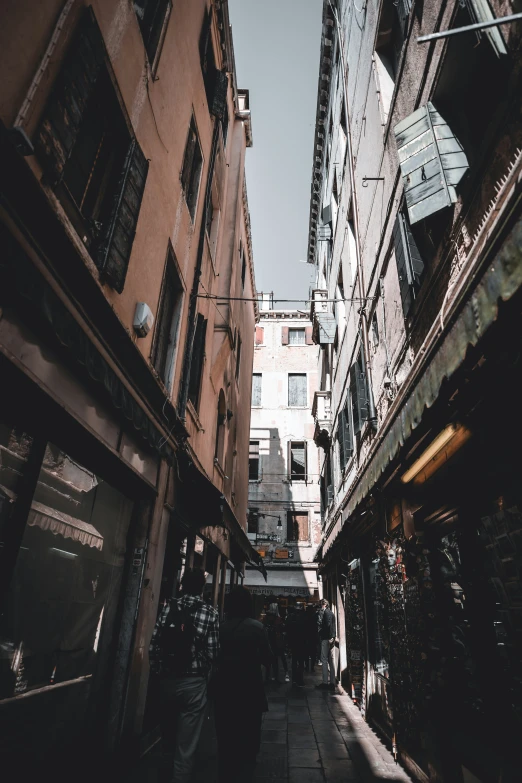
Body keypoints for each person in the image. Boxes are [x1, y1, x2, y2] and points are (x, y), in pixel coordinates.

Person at [150, 568, 219, 783]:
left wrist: (159, 672)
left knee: (167, 738)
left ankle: (162, 775)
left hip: (167, 680)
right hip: (193, 684)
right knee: (186, 744)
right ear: (201, 587)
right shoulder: (210, 612)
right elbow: (213, 653)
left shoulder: (168, 608)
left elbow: (154, 645)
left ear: (182, 585)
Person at [214, 586, 272, 783]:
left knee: (226, 728)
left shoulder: (221, 628)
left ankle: (226, 765)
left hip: (224, 686)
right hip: (250, 686)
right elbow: (267, 658)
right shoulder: (257, 628)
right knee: (249, 727)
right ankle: (246, 765)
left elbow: (213, 656)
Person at [263, 603, 290, 682]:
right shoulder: (276, 618)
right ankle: (277, 675)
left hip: (273, 641)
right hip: (276, 641)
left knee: (272, 659)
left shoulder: (269, 618)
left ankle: (270, 676)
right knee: (277, 658)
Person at [316, 598, 336, 690]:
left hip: (326, 639)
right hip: (330, 638)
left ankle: (325, 682)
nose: (320, 607)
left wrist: (326, 636)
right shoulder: (331, 613)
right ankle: (332, 682)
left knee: (324, 659)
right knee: (331, 660)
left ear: (324, 605)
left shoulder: (326, 613)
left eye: (321, 605)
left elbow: (327, 626)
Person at [286, 604, 307, 686]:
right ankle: (300, 679)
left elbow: (287, 630)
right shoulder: (304, 617)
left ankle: (294, 679)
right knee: (301, 662)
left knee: (294, 661)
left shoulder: (290, 617)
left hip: (294, 642)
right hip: (301, 642)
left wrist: (288, 643)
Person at [304, 604, 319, 672]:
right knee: (313, 654)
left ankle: (307, 667)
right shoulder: (315, 616)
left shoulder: (305, 616)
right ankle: (312, 667)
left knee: (306, 654)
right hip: (313, 637)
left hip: (307, 637)